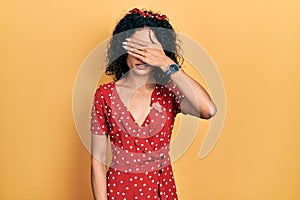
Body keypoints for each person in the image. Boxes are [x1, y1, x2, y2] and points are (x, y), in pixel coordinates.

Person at [90, 8, 217, 200]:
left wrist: (166, 63)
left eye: (150, 49)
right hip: (119, 192)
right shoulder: (105, 95)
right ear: (122, 49)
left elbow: (209, 110)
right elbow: (97, 161)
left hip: (161, 192)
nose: (143, 56)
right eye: (136, 47)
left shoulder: (169, 92)